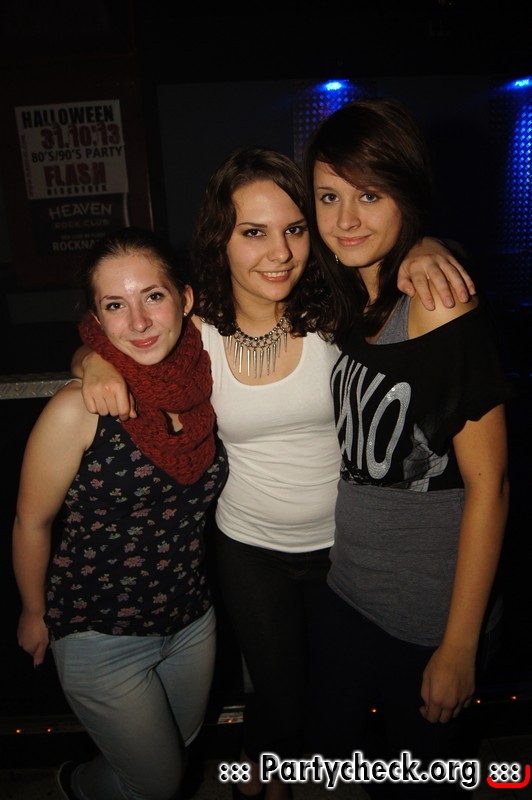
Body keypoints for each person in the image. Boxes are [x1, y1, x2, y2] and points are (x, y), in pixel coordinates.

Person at [70, 148, 476, 800]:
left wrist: (430, 245)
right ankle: (260, 783)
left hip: (347, 550)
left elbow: (409, 262)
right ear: (221, 240)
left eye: (294, 229)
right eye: (254, 232)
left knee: (329, 706)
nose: (280, 252)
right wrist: (89, 358)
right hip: (250, 548)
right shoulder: (195, 332)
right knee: (280, 699)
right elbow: (118, 324)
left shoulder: (341, 311)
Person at [301, 98, 512, 798]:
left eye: (370, 194)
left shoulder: (436, 302)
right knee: (339, 753)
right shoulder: (352, 298)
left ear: (406, 195)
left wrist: (459, 646)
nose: (345, 219)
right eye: (328, 196)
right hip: (349, 590)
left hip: (427, 615)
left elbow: (491, 486)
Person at [12, 227, 228, 800]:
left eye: (153, 296)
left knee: (174, 759)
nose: (138, 322)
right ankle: (79, 785)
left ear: (185, 298)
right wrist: (33, 610)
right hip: (98, 633)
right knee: (157, 783)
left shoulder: (211, 382)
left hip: (192, 621)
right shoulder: (78, 409)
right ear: (97, 319)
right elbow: (32, 521)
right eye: (115, 305)